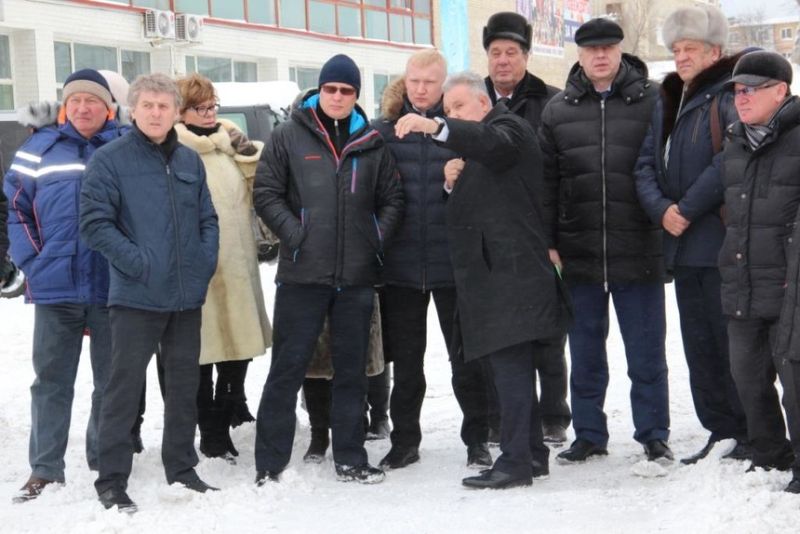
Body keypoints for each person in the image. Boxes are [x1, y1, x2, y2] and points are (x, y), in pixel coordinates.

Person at [395, 71, 569, 489]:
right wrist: (451, 185)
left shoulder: (510, 129)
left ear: (484, 103)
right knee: (510, 369)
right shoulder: (475, 149)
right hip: (492, 278)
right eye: (447, 110)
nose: (451, 115)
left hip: (510, 276)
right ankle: (530, 454)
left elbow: (493, 144)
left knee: (510, 371)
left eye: (457, 107)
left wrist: (436, 126)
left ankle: (515, 462)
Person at [252, 54, 403, 485]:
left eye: (346, 90)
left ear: (356, 95)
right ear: (320, 90)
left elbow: (393, 199)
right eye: (330, 89)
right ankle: (270, 463)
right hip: (302, 275)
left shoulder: (371, 141)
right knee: (287, 369)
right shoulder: (288, 135)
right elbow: (266, 193)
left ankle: (351, 458)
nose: (337, 97)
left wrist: (374, 236)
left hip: (355, 277)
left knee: (351, 372)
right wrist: (295, 234)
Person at [80, 73, 220, 512]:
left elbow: (208, 219)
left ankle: (181, 467)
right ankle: (112, 478)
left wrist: (202, 263)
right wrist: (139, 263)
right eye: (148, 106)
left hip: (185, 296)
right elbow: (95, 224)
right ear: (133, 110)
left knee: (183, 387)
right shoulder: (110, 160)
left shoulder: (189, 161)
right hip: (135, 297)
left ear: (176, 112)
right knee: (122, 390)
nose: (156, 113)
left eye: (164, 106)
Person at [539, 18, 670, 464]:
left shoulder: (654, 101)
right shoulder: (557, 110)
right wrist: (550, 240)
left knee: (646, 353)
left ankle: (653, 434)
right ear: (579, 55)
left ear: (620, 51)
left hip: (639, 248)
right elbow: (546, 182)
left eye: (608, 47)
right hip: (579, 252)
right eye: (592, 49)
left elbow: (665, 169)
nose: (600, 55)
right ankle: (589, 434)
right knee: (585, 354)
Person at [3, 69, 126, 503]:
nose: (83, 107)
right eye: (75, 100)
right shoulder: (38, 148)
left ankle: (104, 460)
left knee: (111, 381)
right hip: (56, 284)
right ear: (64, 107)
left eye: (92, 100)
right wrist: (33, 261)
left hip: (113, 285)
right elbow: (15, 207)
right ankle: (45, 468)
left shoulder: (126, 147)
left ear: (108, 108)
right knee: (51, 380)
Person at [635, 4, 750, 464]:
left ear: (714, 52)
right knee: (698, 346)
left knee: (729, 346)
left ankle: (747, 431)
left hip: (719, 245)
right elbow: (645, 163)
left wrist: (685, 208)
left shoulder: (730, 95)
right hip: (682, 248)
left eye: (691, 49)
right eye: (677, 49)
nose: (681, 57)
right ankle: (720, 430)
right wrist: (661, 210)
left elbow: (729, 160)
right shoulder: (670, 100)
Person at [371, 49, 492, 470]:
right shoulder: (384, 132)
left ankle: (477, 438)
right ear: (404, 81)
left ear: (443, 85)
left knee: (466, 361)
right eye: (414, 81)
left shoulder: (461, 131)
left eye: (430, 82)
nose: (421, 90)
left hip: (453, 265)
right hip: (401, 267)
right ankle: (405, 441)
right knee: (407, 365)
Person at [482, 10, 570, 444]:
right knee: (497, 336)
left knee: (548, 334)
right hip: (491, 241)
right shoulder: (474, 100)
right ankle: (501, 418)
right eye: (496, 52)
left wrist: (554, 239)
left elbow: (562, 174)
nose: (503, 60)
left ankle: (554, 415)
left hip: (539, 237)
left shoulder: (552, 102)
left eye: (512, 52)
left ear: (526, 56)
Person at [175, 73, 272, 462]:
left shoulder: (227, 144)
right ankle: (210, 430)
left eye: (212, 105)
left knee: (238, 350)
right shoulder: (176, 150)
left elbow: (256, 193)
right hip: (200, 270)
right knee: (201, 355)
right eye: (199, 107)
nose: (208, 113)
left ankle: (229, 408)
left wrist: (247, 154)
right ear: (181, 112)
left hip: (238, 265)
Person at [720, 52, 800, 486]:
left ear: (780, 91)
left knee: (796, 385)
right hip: (743, 282)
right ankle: (770, 452)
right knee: (747, 377)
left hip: (790, 287)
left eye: (751, 89)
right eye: (737, 90)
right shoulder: (735, 141)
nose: (742, 98)